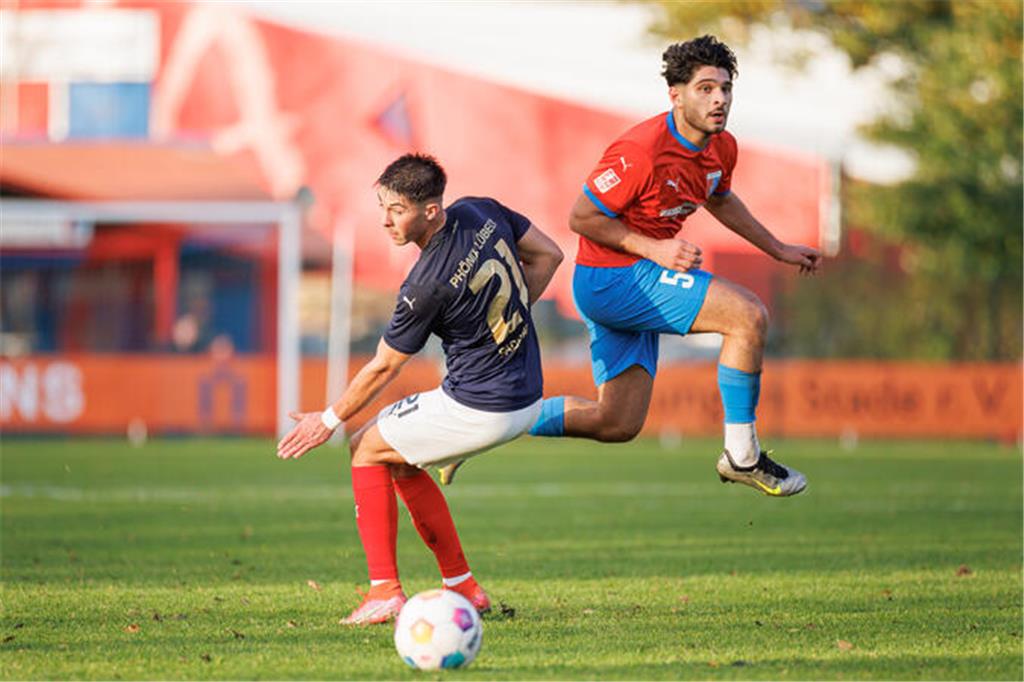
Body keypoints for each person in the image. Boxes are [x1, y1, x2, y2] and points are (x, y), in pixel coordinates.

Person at [488, 35, 820, 497]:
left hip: (635, 280)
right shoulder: (641, 150)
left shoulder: (722, 148)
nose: (719, 98)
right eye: (705, 88)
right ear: (676, 95)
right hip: (609, 280)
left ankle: (489, 419)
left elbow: (719, 198)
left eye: (725, 88)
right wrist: (656, 250)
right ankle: (742, 456)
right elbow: (580, 218)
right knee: (747, 316)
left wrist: (777, 248)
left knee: (617, 422)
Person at [276, 153, 563, 624]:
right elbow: (550, 254)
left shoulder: (423, 285)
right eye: (382, 206)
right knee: (402, 463)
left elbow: (384, 366)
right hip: (527, 393)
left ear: (431, 211)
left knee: (364, 446)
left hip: (480, 405)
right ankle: (464, 588)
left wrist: (325, 420)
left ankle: (384, 591)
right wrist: (507, 320)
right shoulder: (481, 210)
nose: (385, 220)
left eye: (397, 210)